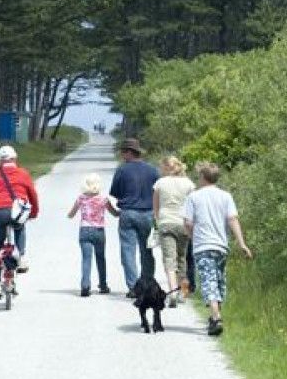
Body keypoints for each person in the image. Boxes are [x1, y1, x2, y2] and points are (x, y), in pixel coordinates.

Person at [182, 161, 253, 336]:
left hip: (203, 246)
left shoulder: (194, 197)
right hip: (221, 246)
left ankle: (216, 317)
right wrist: (242, 243)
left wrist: (193, 236)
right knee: (219, 281)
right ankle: (214, 318)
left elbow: (188, 223)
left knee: (208, 282)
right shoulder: (226, 196)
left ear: (202, 178)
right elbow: (232, 220)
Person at [0, 145, 40, 299]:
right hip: (17, 212)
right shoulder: (23, 173)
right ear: (15, 159)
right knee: (20, 228)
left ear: (0, 161)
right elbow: (32, 195)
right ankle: (20, 257)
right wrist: (33, 213)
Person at [108, 137, 160, 297]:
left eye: (124, 152)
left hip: (128, 213)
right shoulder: (153, 170)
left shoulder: (122, 170)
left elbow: (115, 193)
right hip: (148, 213)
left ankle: (134, 287)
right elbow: (158, 193)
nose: (122, 155)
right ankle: (147, 283)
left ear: (130, 152)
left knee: (128, 250)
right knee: (147, 251)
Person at [67, 172, 119, 296]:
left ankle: (85, 286)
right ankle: (103, 285)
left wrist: (69, 215)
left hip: (84, 230)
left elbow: (71, 213)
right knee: (101, 258)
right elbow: (114, 213)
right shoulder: (103, 199)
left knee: (86, 259)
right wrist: (121, 211)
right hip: (99, 231)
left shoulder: (81, 198)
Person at [153, 155, 195, 307]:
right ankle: (183, 293)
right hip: (183, 223)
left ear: (165, 168)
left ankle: (173, 292)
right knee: (182, 259)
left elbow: (156, 207)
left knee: (169, 260)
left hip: (166, 223)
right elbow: (192, 206)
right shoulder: (189, 184)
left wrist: (158, 222)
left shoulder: (160, 183)